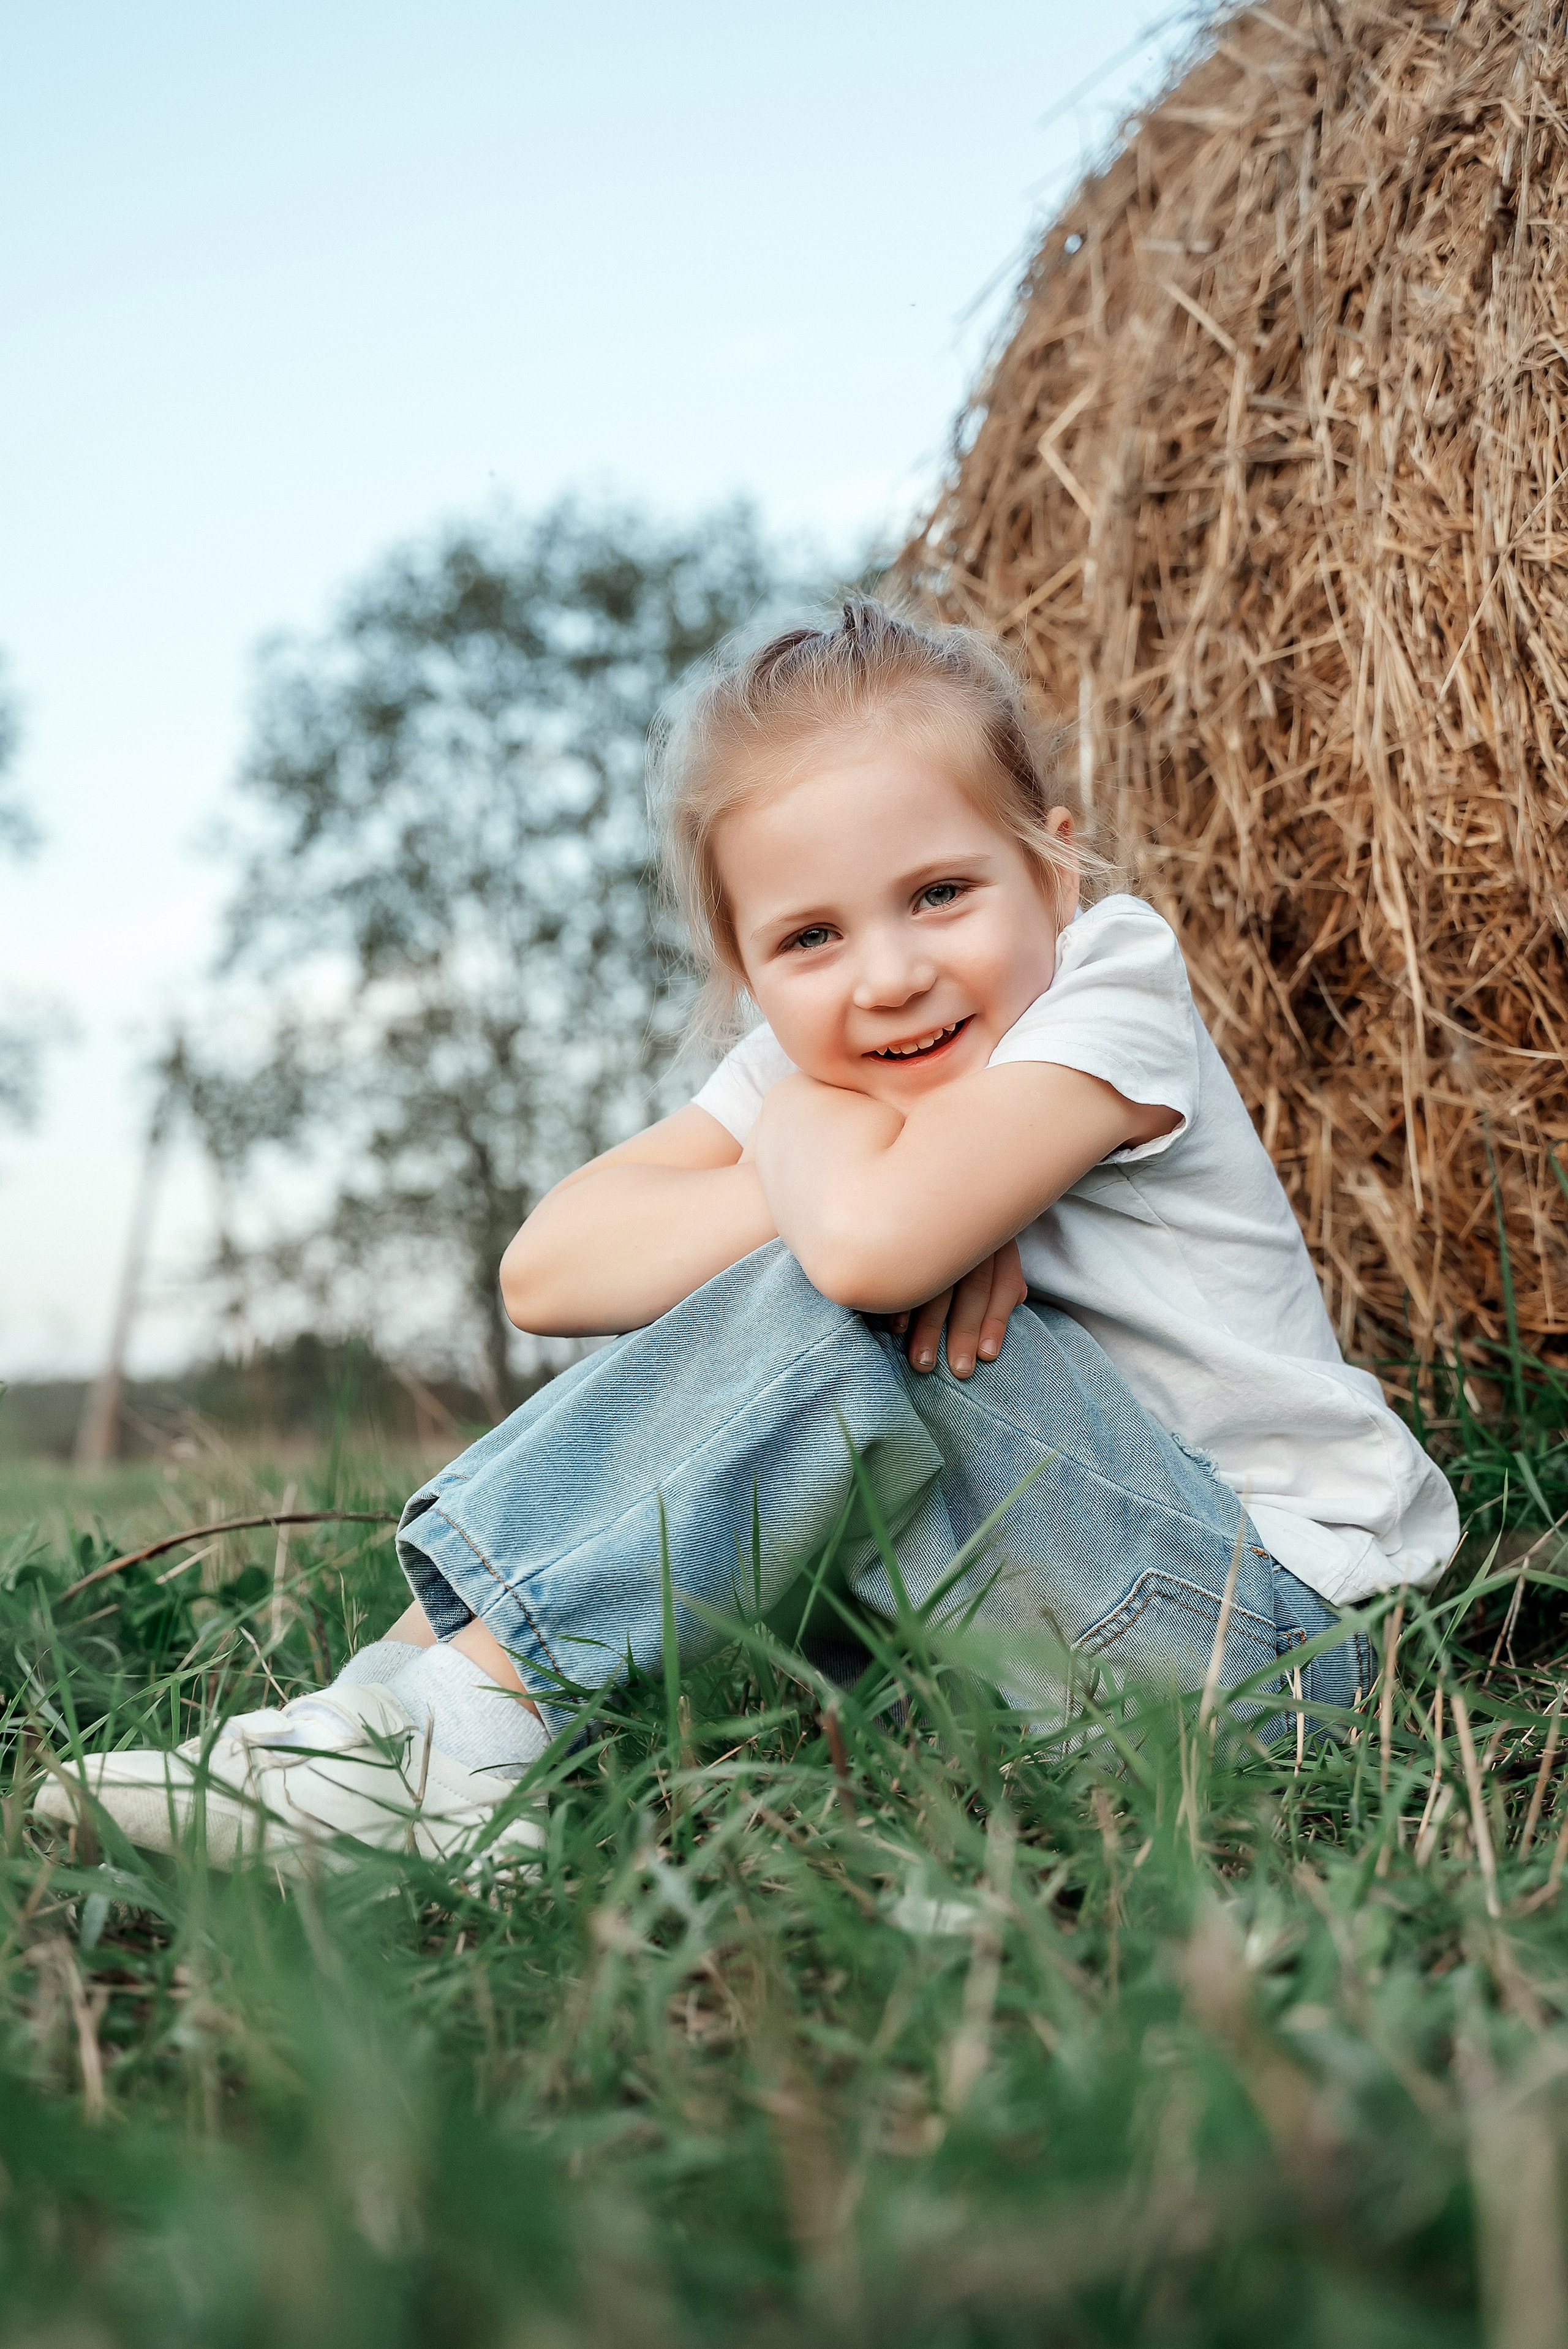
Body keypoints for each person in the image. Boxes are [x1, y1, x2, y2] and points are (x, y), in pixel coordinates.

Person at [39, 600, 1458, 1870]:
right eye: (808, 940)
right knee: (808, 1280)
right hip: (1035, 1635)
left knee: (836, 1309)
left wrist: (806, 1151)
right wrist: (807, 1151)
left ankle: (444, 1741)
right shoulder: (818, 1073)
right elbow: (548, 1267)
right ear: (746, 967)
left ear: (1052, 870)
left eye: (939, 893)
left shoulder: (1111, 981)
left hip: (1266, 1647)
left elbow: (863, 1256)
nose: (889, 975)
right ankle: (369, 1725)